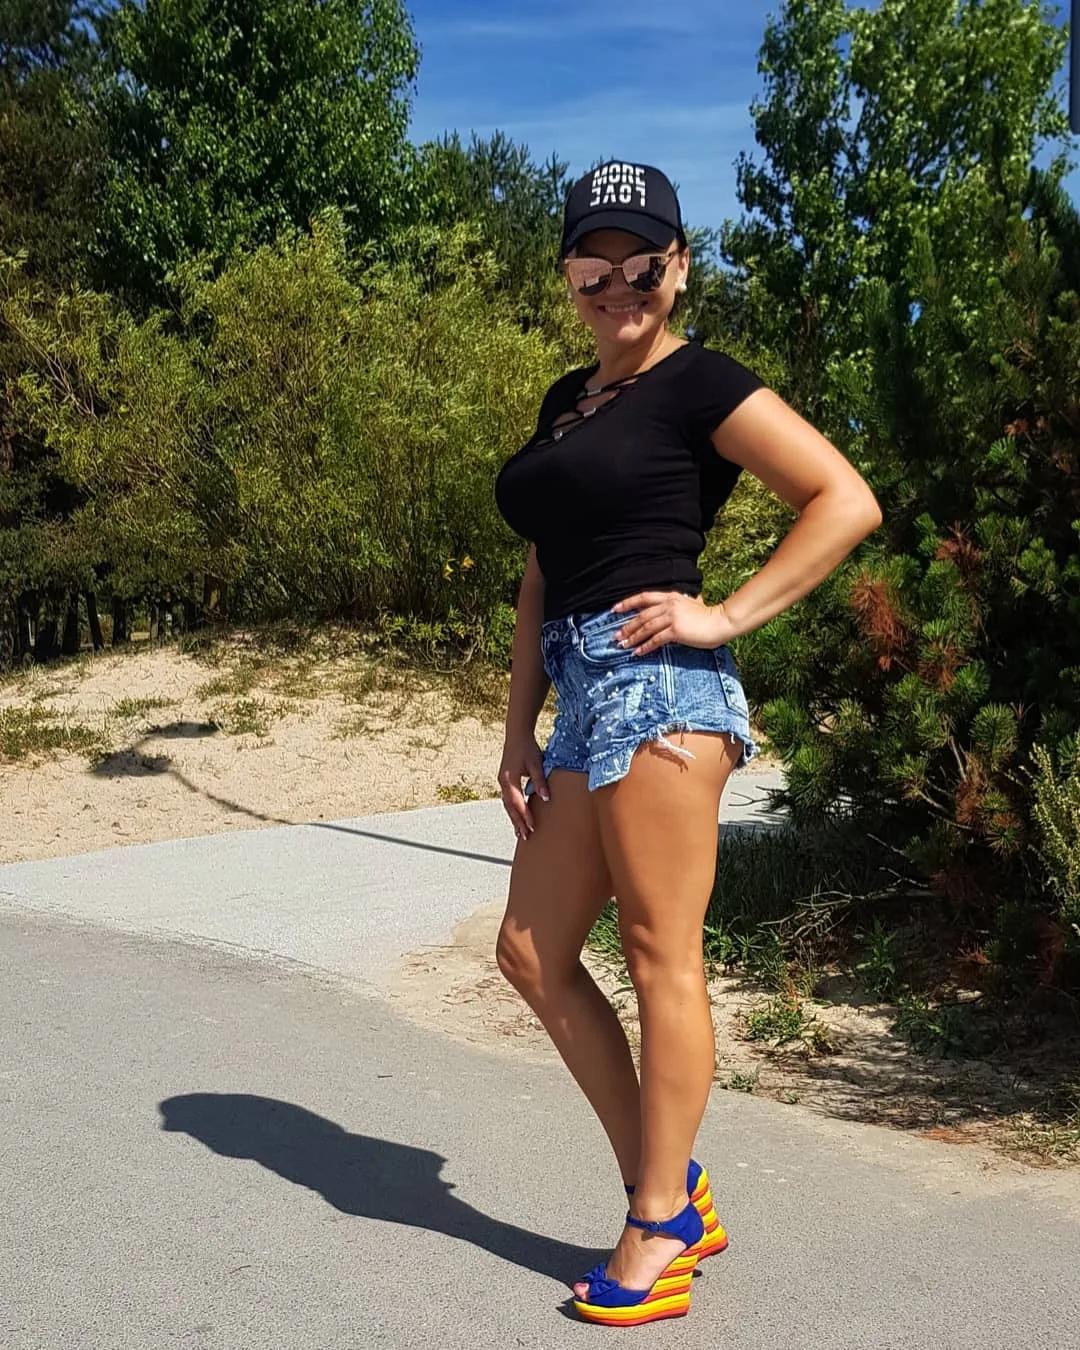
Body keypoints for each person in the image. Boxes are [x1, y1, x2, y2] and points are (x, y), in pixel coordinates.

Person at [492, 159, 882, 1326]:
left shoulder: (700, 381)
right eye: (593, 267)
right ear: (568, 276)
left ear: (679, 268)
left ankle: (657, 1220)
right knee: (530, 952)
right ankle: (668, 1190)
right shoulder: (568, 399)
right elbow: (540, 572)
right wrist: (517, 728)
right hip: (577, 694)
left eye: (642, 265)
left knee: (661, 954)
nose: (618, 287)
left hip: (660, 687)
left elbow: (844, 499)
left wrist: (725, 615)